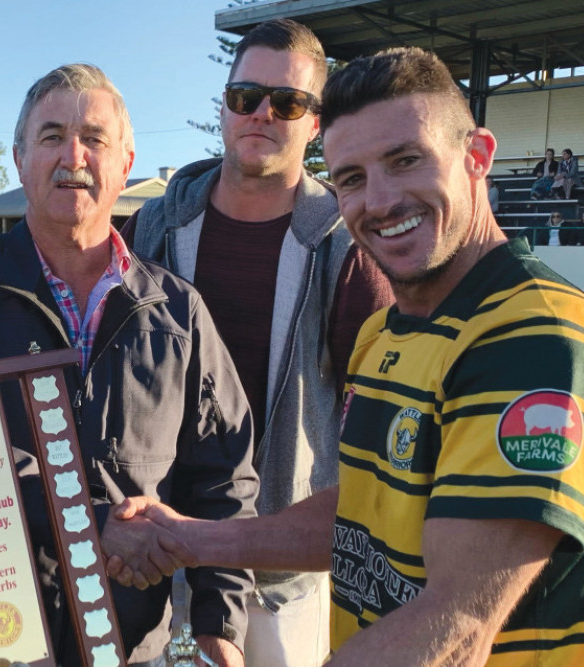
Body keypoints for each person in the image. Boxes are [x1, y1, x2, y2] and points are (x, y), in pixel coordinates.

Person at [108, 47, 584, 666]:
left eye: (406, 160)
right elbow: (360, 521)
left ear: (477, 158)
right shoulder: (386, 332)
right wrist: (187, 537)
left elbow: (456, 626)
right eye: (353, 178)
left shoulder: (536, 340)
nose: (380, 200)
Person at [0, 63, 259, 667]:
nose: (73, 156)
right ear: (19, 157)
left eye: (94, 139)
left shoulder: (178, 310)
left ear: (126, 162)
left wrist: (221, 627)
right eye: (52, 136)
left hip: (131, 642)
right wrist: (93, 521)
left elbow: (225, 481)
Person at [124, 19, 391, 667]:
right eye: (246, 96)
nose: (263, 113)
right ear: (224, 105)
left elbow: (382, 441)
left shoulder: (348, 249)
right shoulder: (152, 226)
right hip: (148, 562)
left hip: (275, 580)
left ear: (316, 122)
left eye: (289, 102)